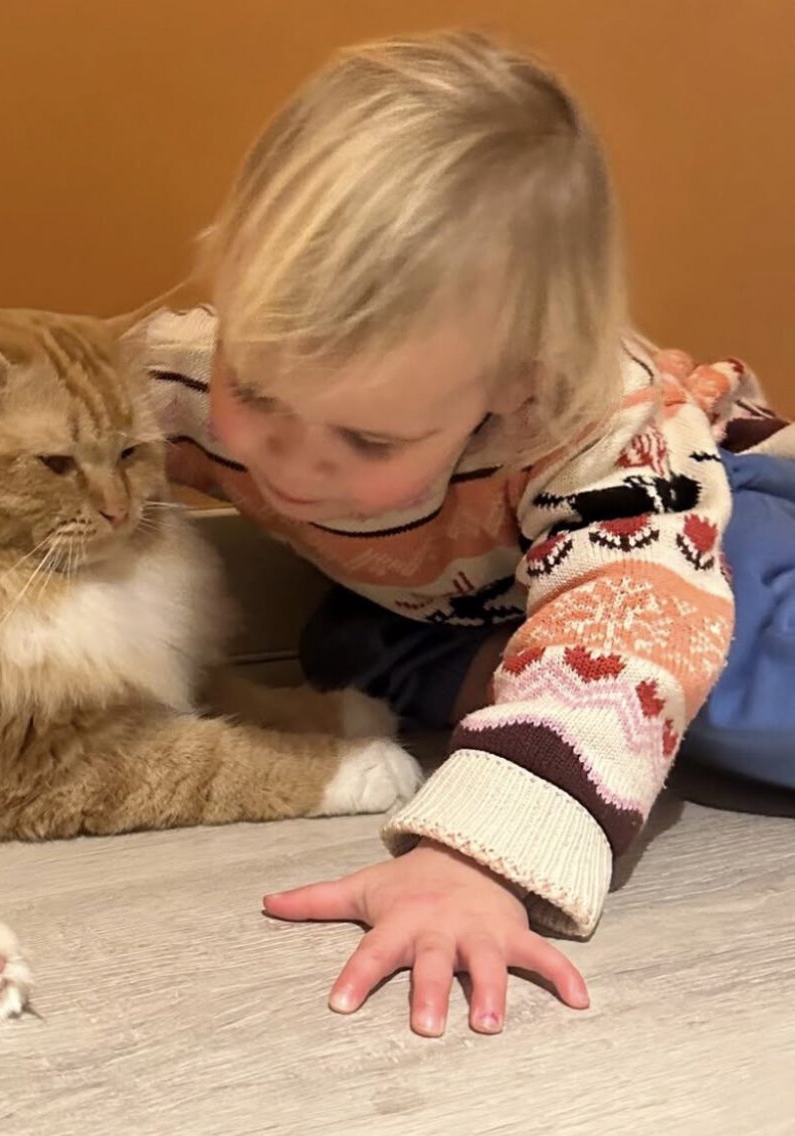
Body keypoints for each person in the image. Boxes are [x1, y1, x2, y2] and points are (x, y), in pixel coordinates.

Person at [136, 30, 795, 1037]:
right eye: (254, 388)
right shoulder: (180, 379)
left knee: (741, 680)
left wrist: (480, 852)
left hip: (710, 507)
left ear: (518, 380)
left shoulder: (599, 433)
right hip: (478, 587)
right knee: (365, 643)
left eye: (367, 436)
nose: (290, 461)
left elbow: (634, 619)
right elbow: (14, 399)